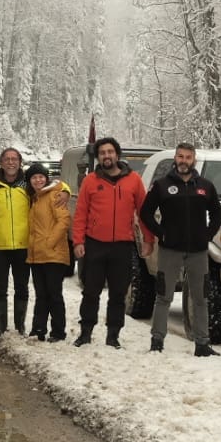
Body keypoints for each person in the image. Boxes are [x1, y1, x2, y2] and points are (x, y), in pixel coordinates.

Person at [139, 143, 221, 357]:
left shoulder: (205, 186)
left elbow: (217, 214)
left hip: (198, 251)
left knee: (200, 297)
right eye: (180, 156)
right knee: (163, 296)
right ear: (175, 159)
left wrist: (207, 234)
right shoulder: (162, 185)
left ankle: (202, 343)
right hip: (170, 250)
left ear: (193, 160)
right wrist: (161, 233)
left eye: (188, 157)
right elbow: (146, 213)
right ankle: (157, 341)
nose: (183, 160)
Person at [71, 136, 146, 348]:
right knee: (90, 292)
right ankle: (86, 332)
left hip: (122, 246)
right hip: (95, 244)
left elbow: (144, 211)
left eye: (110, 152)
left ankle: (113, 336)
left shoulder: (133, 180)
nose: (106, 156)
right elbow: (81, 214)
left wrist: (148, 240)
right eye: (102, 153)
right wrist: (78, 241)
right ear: (98, 156)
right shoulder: (90, 181)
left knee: (118, 294)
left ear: (117, 154)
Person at [0, 147, 32, 340]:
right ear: (1, 163)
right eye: (7, 159)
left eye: (14, 159)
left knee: (22, 287)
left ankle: (20, 326)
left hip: (23, 244)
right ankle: (1, 328)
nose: (11, 162)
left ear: (20, 162)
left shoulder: (28, 185)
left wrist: (65, 190)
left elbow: (55, 186)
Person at [25, 163, 71, 341]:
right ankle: (39, 328)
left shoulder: (54, 195)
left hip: (53, 254)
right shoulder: (35, 198)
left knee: (54, 294)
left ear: (46, 178)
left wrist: (49, 243)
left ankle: (58, 331)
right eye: (34, 177)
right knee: (41, 294)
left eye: (41, 177)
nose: (38, 180)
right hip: (37, 255)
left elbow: (64, 220)